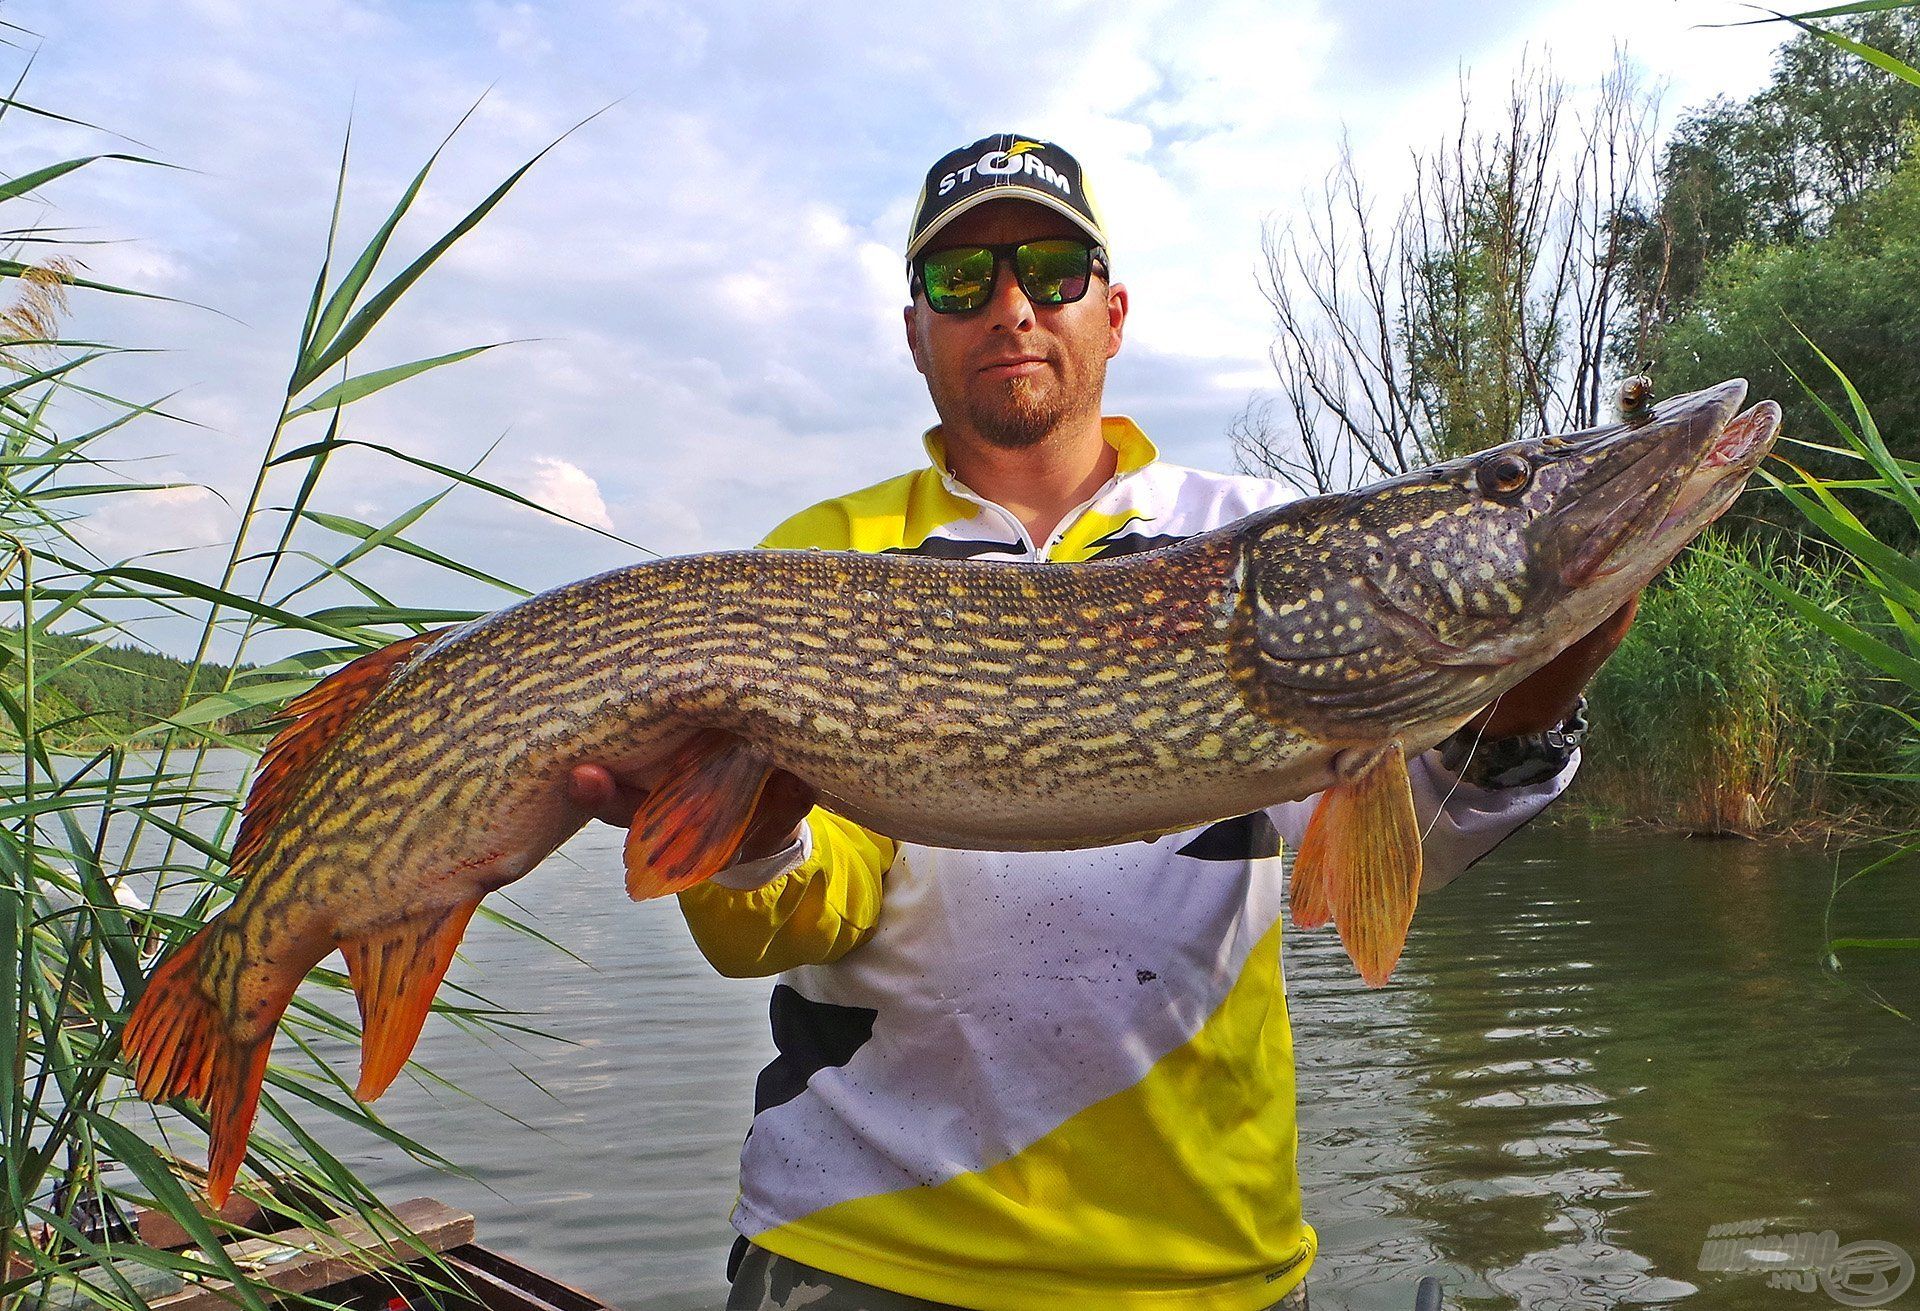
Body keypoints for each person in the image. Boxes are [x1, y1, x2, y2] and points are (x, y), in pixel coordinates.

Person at [570, 134, 1634, 1311]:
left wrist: (1538, 689)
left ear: (1111, 312)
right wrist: (756, 836)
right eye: (962, 281)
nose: (1011, 307)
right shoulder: (825, 563)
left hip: (1199, 1264)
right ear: (916, 329)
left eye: (1051, 269)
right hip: (862, 1255)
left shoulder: (1255, 546)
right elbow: (769, 931)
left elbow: (1413, 848)